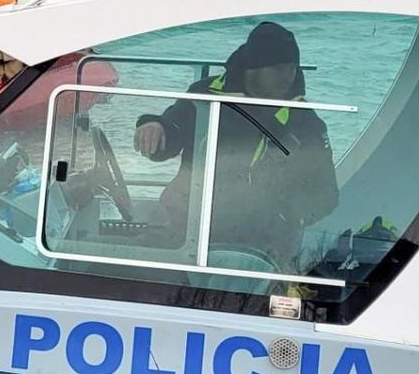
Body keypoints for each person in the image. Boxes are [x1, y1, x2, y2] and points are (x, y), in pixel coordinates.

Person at [133, 21, 338, 268]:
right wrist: (155, 126)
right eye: (278, 68)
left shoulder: (305, 119)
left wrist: (284, 217)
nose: (288, 77)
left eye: (293, 68)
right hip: (187, 227)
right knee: (127, 262)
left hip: (260, 245)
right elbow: (171, 135)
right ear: (254, 68)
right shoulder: (204, 94)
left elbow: (326, 194)